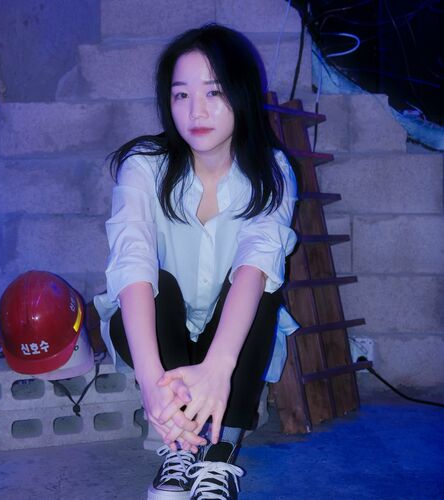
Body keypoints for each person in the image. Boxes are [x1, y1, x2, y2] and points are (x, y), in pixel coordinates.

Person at [94, 23, 298, 500]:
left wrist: (218, 368)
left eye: (214, 92)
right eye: (181, 95)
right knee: (156, 285)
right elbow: (132, 261)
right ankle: (180, 447)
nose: (196, 111)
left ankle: (218, 455)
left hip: (231, 335)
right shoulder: (143, 166)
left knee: (262, 291)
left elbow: (256, 264)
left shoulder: (272, 172)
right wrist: (150, 382)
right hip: (160, 332)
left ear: (241, 94)